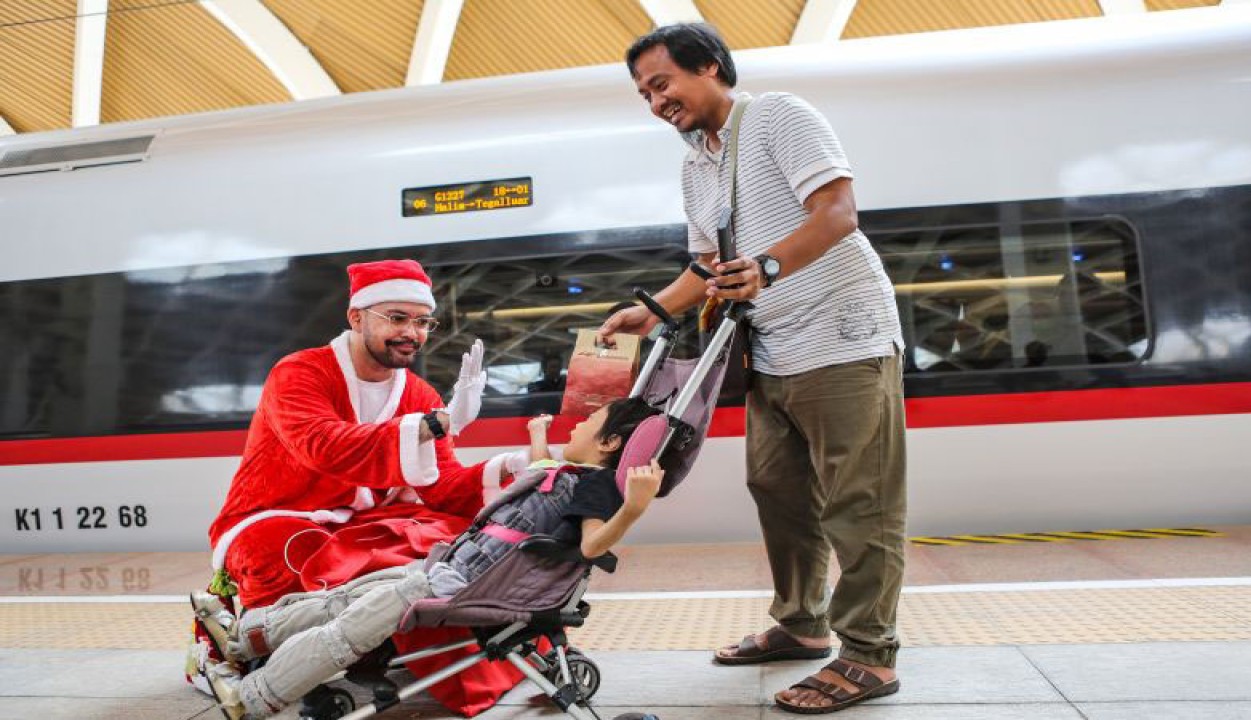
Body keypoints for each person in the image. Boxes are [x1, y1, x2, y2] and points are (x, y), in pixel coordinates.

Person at [602, 23, 907, 714]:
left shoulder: (778, 116)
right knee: (778, 489)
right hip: (771, 347)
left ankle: (870, 655)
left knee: (859, 500)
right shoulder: (694, 164)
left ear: (709, 67)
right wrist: (649, 311)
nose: (655, 103)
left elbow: (838, 211)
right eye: (644, 94)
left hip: (842, 335)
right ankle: (803, 627)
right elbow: (707, 264)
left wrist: (768, 266)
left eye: (662, 84)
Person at [199, 258, 532, 712]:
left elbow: (445, 486)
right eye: (396, 318)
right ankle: (269, 646)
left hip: (370, 518)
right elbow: (324, 446)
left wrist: (518, 464)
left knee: (463, 543)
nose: (411, 333)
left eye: (422, 322)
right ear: (356, 318)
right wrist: (434, 425)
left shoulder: (419, 393)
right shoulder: (299, 373)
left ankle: (409, 647)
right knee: (291, 553)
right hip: (280, 513)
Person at [200, 398, 665, 720]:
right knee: (344, 598)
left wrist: (633, 508)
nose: (578, 426)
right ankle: (246, 638)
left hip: (461, 585)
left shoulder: (598, 487)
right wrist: (536, 433)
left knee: (347, 628)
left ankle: (251, 698)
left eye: (589, 422)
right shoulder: (567, 474)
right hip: (451, 567)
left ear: (608, 443)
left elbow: (590, 547)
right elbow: (542, 471)